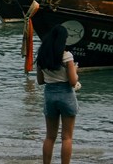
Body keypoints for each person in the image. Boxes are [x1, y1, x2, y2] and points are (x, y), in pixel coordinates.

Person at [36, 25, 79, 164]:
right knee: (67, 137)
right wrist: (75, 70)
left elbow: (40, 81)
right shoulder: (67, 56)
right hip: (66, 95)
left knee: (50, 137)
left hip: (50, 95)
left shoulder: (42, 56)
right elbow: (73, 81)